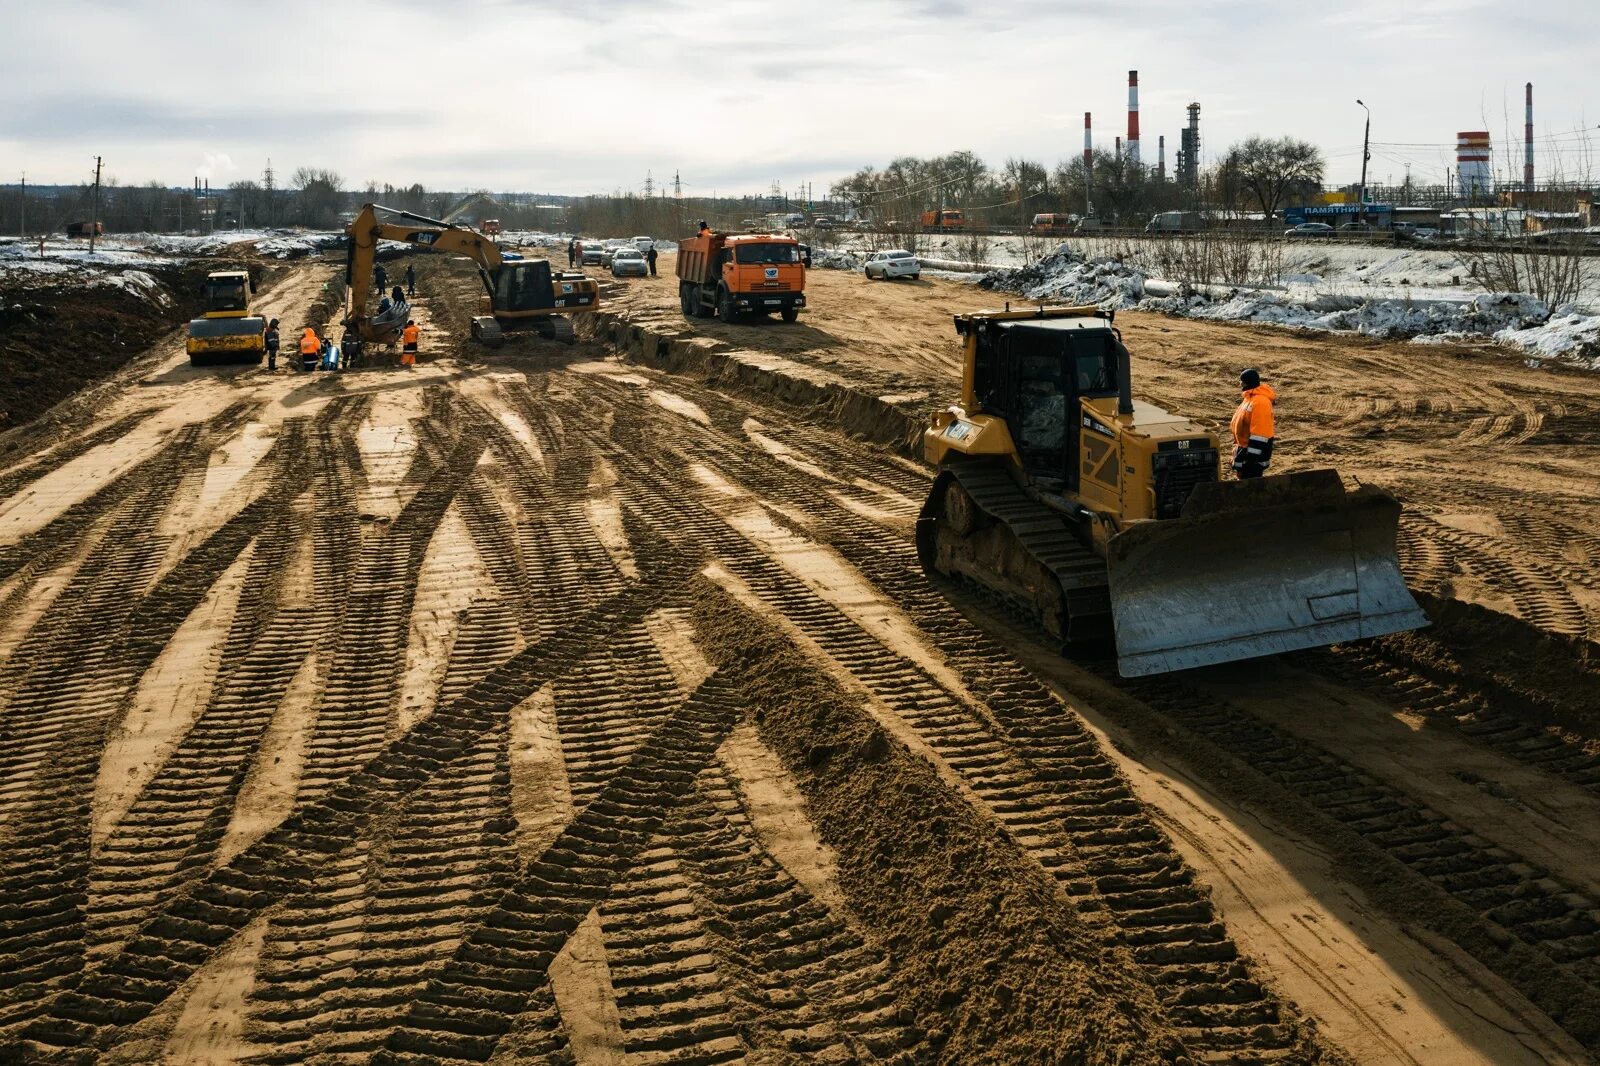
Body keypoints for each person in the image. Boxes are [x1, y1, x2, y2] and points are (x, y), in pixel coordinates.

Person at [1230, 368, 1277, 479]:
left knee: (1250, 485)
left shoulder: (1260, 402)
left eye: (1242, 381)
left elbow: (1260, 434)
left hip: (1252, 457)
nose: (1240, 383)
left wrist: (1251, 460)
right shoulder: (1249, 398)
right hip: (1244, 451)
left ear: (1247, 382)